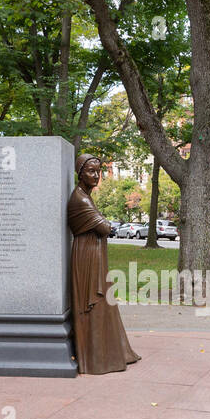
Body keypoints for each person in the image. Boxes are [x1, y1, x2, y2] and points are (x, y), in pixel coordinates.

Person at [67, 154, 141, 374]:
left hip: (93, 254)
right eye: (91, 171)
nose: (96, 176)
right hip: (86, 256)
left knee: (104, 304)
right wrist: (104, 222)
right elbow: (105, 228)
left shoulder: (86, 197)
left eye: (98, 171)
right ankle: (95, 359)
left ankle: (107, 354)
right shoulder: (80, 199)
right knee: (94, 304)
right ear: (80, 174)